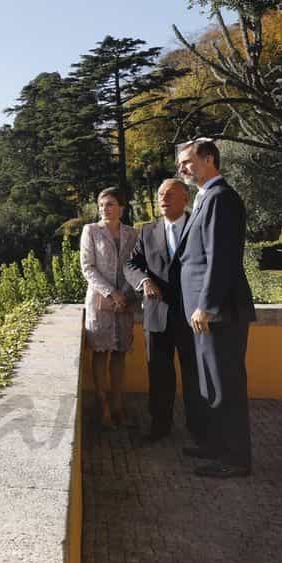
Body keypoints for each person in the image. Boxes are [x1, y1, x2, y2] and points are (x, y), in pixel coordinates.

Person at [175, 138, 255, 478]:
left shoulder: (221, 199)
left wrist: (206, 305)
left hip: (218, 313)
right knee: (210, 383)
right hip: (206, 315)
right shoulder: (206, 198)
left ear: (209, 159)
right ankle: (215, 445)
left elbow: (220, 259)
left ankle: (236, 459)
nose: (182, 169)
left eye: (187, 161)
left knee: (226, 386)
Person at [124, 179, 206, 444]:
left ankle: (198, 428)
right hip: (157, 314)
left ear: (185, 198)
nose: (163, 198)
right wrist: (144, 281)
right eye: (160, 194)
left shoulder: (199, 225)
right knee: (159, 374)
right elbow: (131, 264)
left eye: (170, 194)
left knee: (194, 374)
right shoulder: (147, 231)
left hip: (192, 315)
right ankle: (160, 425)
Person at [81, 187, 141, 429]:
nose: (105, 208)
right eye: (102, 204)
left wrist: (125, 295)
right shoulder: (91, 231)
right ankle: (102, 405)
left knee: (119, 353)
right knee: (100, 353)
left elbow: (136, 265)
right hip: (100, 301)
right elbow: (88, 268)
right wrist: (111, 293)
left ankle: (118, 405)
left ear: (122, 208)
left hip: (125, 302)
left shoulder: (133, 234)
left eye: (110, 204)